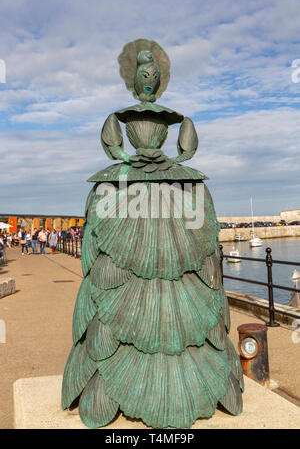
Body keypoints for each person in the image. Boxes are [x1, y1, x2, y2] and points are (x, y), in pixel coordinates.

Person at [62, 39, 243, 429]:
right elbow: (212, 260)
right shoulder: (187, 185)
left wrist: (137, 161)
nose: (148, 77)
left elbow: (90, 260)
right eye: (143, 73)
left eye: (153, 73)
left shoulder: (114, 185)